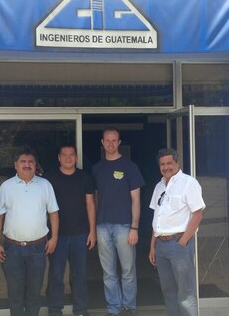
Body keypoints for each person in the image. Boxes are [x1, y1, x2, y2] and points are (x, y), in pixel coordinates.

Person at [0, 146, 60, 316]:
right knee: (15, 294)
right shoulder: (6, 187)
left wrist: (54, 238)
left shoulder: (45, 185)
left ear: (35, 164)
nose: (27, 164)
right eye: (23, 161)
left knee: (34, 294)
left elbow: (53, 213)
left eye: (30, 161)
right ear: (16, 165)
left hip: (38, 248)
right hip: (12, 249)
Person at [91, 127, 145, 316]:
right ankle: (113, 308)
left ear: (119, 143)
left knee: (128, 271)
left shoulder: (130, 167)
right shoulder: (97, 169)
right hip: (102, 226)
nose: (111, 143)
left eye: (114, 140)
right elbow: (94, 199)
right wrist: (94, 226)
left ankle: (128, 307)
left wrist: (134, 227)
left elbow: (136, 199)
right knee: (108, 273)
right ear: (102, 142)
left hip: (124, 226)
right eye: (107, 140)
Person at [148, 148, 205, 316]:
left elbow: (198, 213)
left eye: (169, 163)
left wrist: (183, 241)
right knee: (168, 290)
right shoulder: (159, 186)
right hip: (161, 246)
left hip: (178, 244)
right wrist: (152, 247)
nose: (166, 167)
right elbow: (156, 218)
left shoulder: (188, 183)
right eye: (162, 164)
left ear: (177, 163)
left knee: (185, 292)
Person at [45, 144, 96, 316]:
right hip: (56, 235)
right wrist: (50, 235)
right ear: (58, 157)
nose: (68, 158)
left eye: (71, 154)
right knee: (56, 275)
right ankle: (54, 310)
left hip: (80, 234)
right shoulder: (49, 177)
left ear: (76, 157)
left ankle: (81, 310)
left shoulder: (85, 177)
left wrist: (92, 231)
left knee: (79, 275)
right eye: (64, 155)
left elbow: (90, 204)